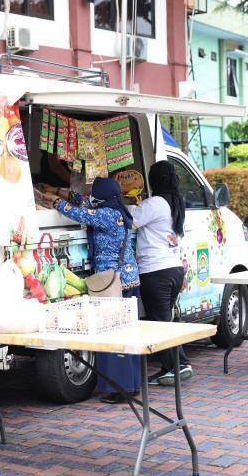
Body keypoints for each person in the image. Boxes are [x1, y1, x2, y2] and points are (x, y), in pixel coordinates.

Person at [43, 177, 140, 404]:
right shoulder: (116, 210)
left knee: (113, 336)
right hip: (127, 280)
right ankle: (131, 384)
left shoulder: (107, 215)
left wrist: (56, 202)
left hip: (113, 284)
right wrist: (57, 191)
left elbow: (82, 214)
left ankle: (119, 390)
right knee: (127, 336)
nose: (91, 197)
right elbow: (83, 202)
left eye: (95, 193)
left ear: (103, 196)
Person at [129, 160, 192, 386]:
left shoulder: (155, 203)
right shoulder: (176, 202)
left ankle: (178, 366)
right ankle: (173, 366)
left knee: (159, 324)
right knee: (165, 322)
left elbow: (131, 220)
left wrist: (122, 203)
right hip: (173, 270)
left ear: (154, 180)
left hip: (156, 271)